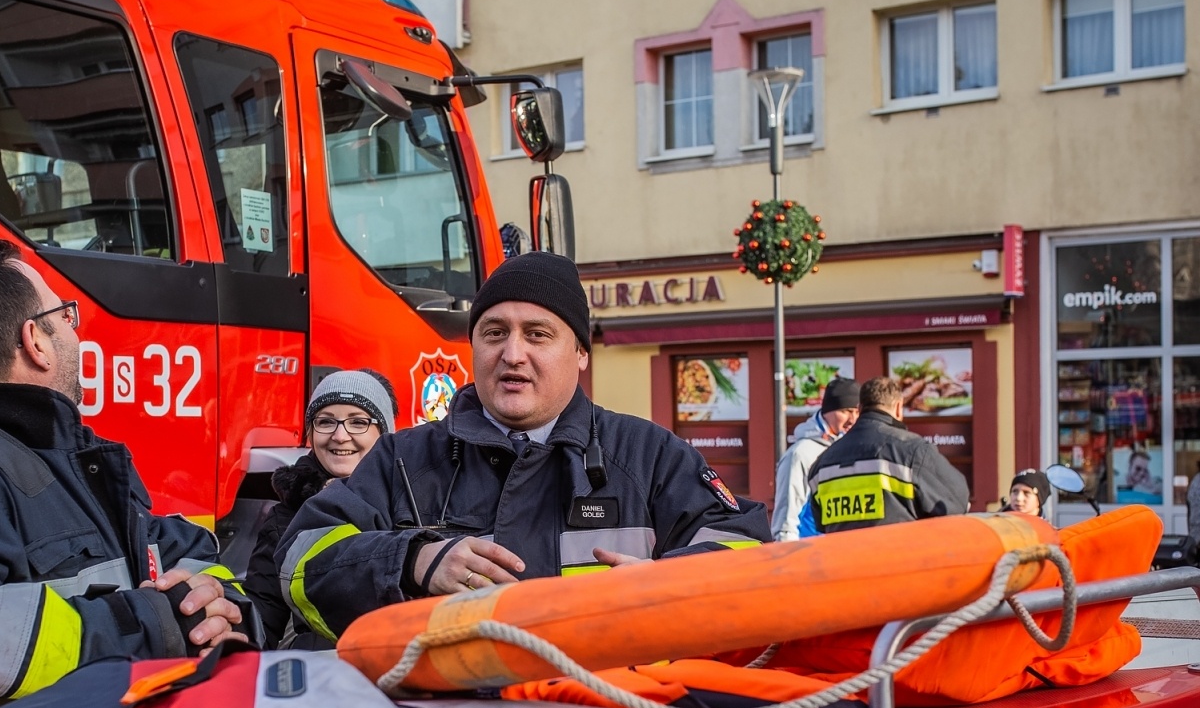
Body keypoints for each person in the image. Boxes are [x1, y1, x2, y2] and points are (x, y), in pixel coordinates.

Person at [274, 251, 772, 642]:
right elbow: (298, 562)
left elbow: (748, 549)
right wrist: (410, 561)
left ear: (579, 352)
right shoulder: (402, 459)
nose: (513, 354)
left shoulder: (648, 455)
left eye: (538, 334)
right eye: (494, 333)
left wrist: (670, 586)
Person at [0, 239, 242, 699]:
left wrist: (223, 606)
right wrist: (156, 625)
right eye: (65, 316)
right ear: (35, 341)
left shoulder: (70, 458)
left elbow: (174, 548)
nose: (76, 334)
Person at [244, 369, 398, 649]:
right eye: (326, 422)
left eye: (358, 422)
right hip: (324, 675)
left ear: (385, 433)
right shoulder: (285, 519)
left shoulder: (413, 502)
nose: (340, 436)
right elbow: (261, 619)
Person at [807, 375, 969, 533]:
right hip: (898, 558)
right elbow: (956, 502)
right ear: (899, 407)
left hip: (842, 559)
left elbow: (820, 524)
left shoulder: (821, 465)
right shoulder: (913, 451)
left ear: (860, 408)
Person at [770, 377, 860, 541]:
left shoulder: (850, 447)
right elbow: (786, 521)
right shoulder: (800, 454)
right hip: (809, 554)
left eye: (857, 412)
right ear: (827, 411)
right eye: (846, 411)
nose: (852, 419)